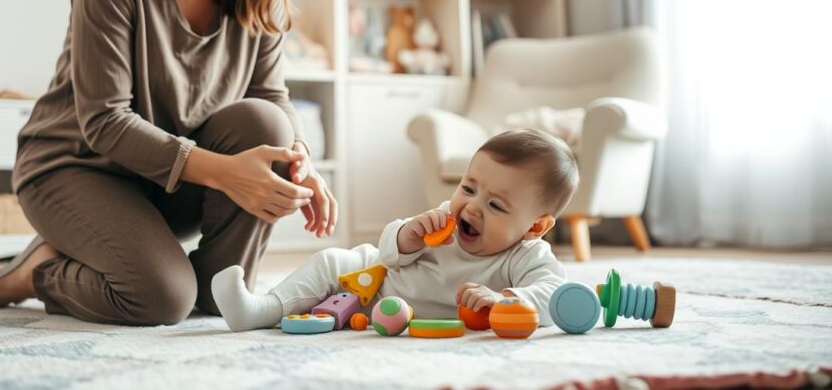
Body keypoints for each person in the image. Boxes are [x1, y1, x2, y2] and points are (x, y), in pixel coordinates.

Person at [0, 0, 338, 326]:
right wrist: (227, 172)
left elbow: (271, 94)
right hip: (75, 168)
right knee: (162, 299)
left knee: (270, 126)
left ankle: (215, 289)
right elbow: (104, 122)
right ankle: (40, 270)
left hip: (168, 178)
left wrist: (302, 166)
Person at [211, 129, 578, 331]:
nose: (471, 207)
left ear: (535, 226)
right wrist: (408, 235)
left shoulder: (526, 256)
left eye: (495, 205)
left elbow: (554, 297)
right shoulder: (443, 221)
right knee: (331, 261)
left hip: (387, 315)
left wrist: (507, 301)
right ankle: (261, 309)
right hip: (375, 278)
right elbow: (387, 252)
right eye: (468, 188)